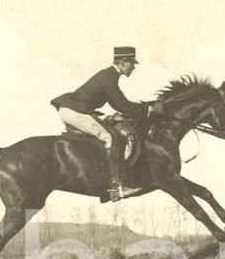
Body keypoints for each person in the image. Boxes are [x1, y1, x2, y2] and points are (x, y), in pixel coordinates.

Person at [51, 46, 164, 201]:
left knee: (113, 124)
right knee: (110, 136)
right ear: (123, 62)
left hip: (73, 109)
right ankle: (115, 187)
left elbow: (119, 105)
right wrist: (149, 110)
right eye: (132, 63)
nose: (134, 67)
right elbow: (122, 105)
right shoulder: (109, 78)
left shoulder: (109, 76)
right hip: (73, 111)